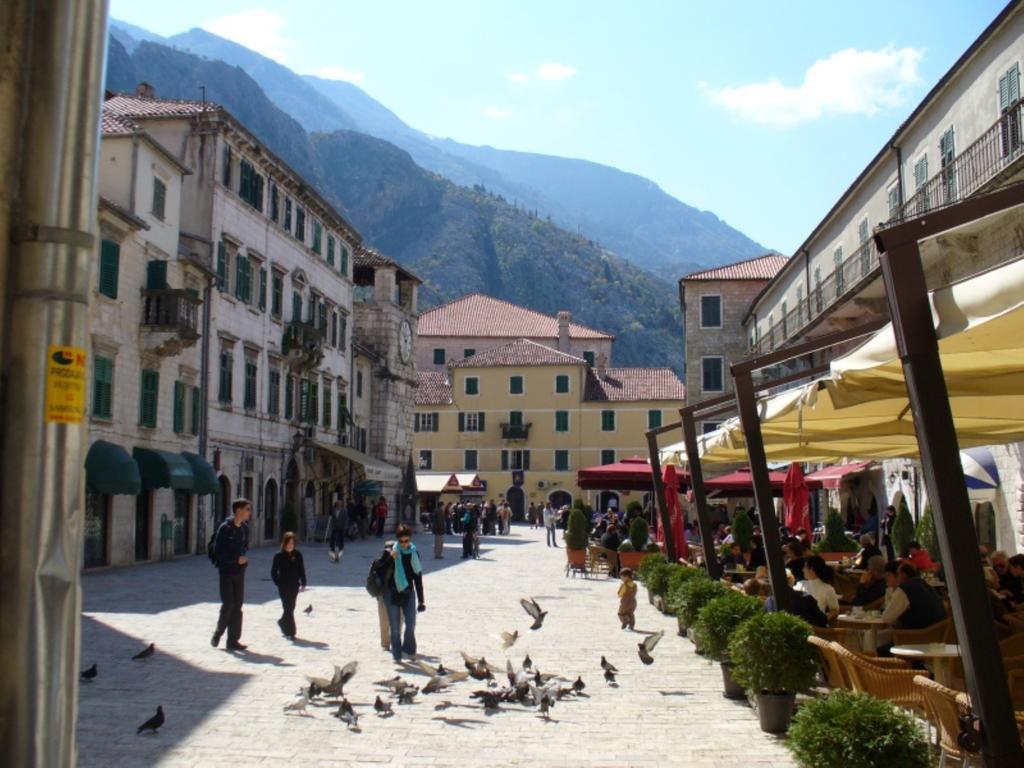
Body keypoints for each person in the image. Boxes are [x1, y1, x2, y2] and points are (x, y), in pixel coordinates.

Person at [211, 498, 251, 651]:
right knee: (228, 604)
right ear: (238, 510)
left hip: (240, 573)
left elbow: (244, 547)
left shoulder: (244, 529)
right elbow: (218, 551)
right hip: (226, 572)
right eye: (247, 509)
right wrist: (235, 559)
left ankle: (233, 640)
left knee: (238, 606)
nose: (249, 512)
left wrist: (243, 561)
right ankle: (218, 632)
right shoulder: (225, 528)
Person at [385, 524, 425, 663]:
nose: (404, 544)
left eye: (406, 540)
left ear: (410, 540)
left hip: (408, 592)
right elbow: (382, 570)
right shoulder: (391, 551)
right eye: (401, 541)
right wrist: (390, 558)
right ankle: (397, 655)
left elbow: (418, 577)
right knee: (395, 628)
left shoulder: (414, 553)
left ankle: (408, 649)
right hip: (392, 592)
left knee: (411, 624)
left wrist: (421, 600)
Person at [881, 562, 947, 629]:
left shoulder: (906, 588)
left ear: (903, 575)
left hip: (919, 634)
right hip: (942, 631)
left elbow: (887, 617)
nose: (886, 578)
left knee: (876, 636)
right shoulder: (923, 584)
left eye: (889, 575)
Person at [270, 532, 307, 639]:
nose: (290, 545)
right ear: (284, 543)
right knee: (288, 607)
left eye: (293, 543)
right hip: (283, 586)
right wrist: (278, 583)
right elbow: (273, 572)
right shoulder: (278, 556)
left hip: (294, 585)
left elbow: (301, 569)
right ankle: (291, 632)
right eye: (289, 543)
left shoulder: (298, 554)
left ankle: (282, 622)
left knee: (291, 607)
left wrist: (303, 582)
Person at [796, 555, 840, 622]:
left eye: (805, 567)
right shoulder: (800, 584)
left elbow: (834, 610)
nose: (803, 569)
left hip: (815, 625)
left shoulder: (828, 589)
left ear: (812, 569)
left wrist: (823, 620)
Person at [374, 542, 398, 651]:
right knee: (384, 620)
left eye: (391, 549)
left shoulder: (400, 561)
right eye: (387, 549)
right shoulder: (379, 562)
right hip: (383, 594)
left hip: (398, 594)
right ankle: (385, 643)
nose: (389, 552)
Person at [328, 498, 347, 563]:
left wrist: (345, 526)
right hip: (335, 526)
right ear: (336, 505)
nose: (338, 505)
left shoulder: (344, 510)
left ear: (341, 505)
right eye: (337, 504)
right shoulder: (333, 510)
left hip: (341, 526)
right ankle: (332, 547)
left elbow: (346, 519)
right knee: (333, 537)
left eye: (340, 504)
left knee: (341, 537)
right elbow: (332, 518)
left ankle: (341, 547)